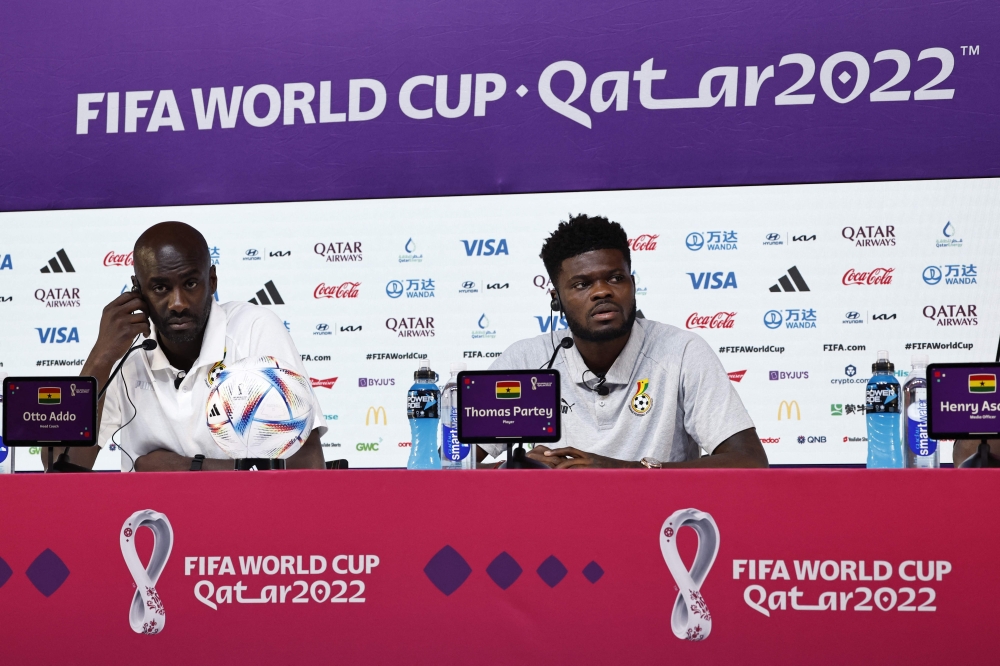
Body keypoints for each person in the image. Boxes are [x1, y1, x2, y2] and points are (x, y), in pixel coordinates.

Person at [479, 214, 767, 469]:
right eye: (582, 284)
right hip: (554, 522)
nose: (602, 292)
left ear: (633, 285)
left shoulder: (681, 352)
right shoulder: (526, 361)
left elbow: (749, 462)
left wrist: (624, 471)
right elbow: (448, 464)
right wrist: (516, 469)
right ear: (556, 299)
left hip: (656, 523)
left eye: (616, 278)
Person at [53, 221, 326, 471]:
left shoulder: (253, 330)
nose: (178, 303)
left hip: (243, 517)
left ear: (212, 281)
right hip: (149, 519)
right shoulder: (125, 354)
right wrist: (99, 361)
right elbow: (59, 471)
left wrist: (182, 468)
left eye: (191, 283)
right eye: (160, 288)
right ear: (137, 290)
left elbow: (306, 465)